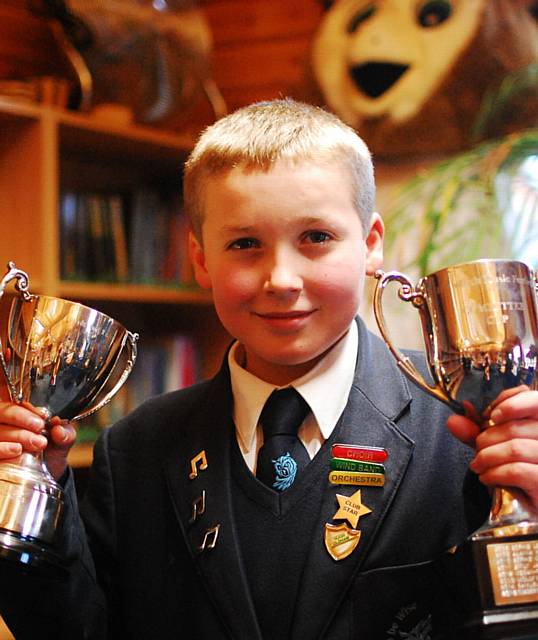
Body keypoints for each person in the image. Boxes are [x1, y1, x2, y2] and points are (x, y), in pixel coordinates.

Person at [0, 98, 537, 640]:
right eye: (245, 244)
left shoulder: (470, 432)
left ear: (371, 245)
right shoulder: (134, 450)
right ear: (202, 259)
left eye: (316, 238)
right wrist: (35, 497)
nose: (281, 278)